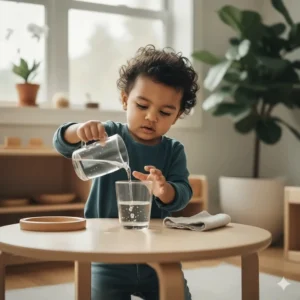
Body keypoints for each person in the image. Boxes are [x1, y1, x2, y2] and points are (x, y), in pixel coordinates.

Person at [53, 44, 199, 300]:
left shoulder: (173, 150)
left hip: (157, 253)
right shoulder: (107, 135)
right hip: (106, 253)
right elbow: (62, 144)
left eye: (165, 112)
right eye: (142, 105)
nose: (152, 117)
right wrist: (78, 131)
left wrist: (165, 190)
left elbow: (184, 193)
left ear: (176, 117)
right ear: (124, 100)